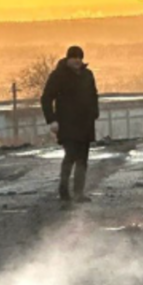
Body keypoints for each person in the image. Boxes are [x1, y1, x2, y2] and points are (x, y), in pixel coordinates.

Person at [41, 46, 99, 203]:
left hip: (85, 122)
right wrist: (52, 120)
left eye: (80, 57)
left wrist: (95, 113)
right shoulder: (58, 75)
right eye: (74, 57)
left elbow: (94, 95)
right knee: (71, 154)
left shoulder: (87, 75)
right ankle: (64, 191)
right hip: (66, 123)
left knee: (83, 157)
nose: (77, 61)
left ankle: (79, 193)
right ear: (68, 59)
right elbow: (46, 98)